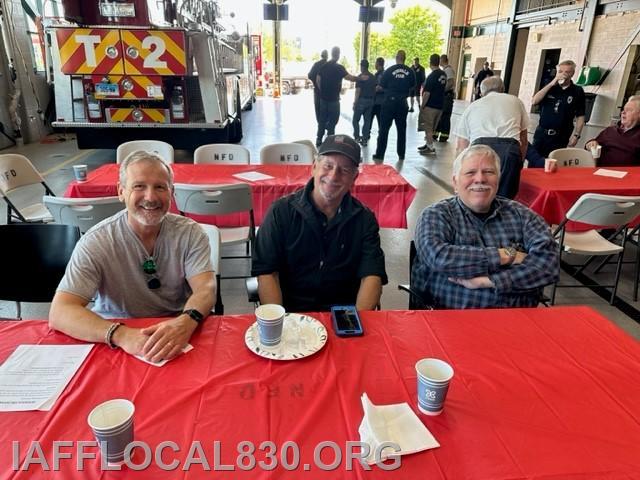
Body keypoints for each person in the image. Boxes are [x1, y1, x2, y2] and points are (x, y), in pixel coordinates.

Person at [49, 151, 216, 363]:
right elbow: (60, 311)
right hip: (112, 338)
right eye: (139, 186)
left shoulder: (190, 232)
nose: (151, 197)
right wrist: (121, 335)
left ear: (171, 193)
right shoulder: (97, 241)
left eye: (160, 187)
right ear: (121, 191)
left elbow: (206, 288)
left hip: (177, 332)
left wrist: (186, 321)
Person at [412, 145, 559, 309]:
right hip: (451, 321)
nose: (480, 179)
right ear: (455, 182)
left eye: (488, 172)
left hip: (517, 322)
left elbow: (548, 266)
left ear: (499, 179)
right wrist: (506, 255)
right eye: (470, 172)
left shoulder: (523, 216)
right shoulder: (437, 215)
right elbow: (440, 257)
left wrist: (489, 282)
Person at [252, 135, 387, 312]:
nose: (333, 176)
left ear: (354, 178)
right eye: (328, 166)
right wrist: (280, 322)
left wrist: (357, 321)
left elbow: (372, 275)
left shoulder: (364, 219)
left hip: (343, 315)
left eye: (344, 170)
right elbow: (267, 272)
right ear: (314, 168)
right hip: (292, 313)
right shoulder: (280, 212)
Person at [455, 76, 528, 199]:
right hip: (509, 149)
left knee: (478, 195)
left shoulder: (473, 106)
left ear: (481, 92)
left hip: (479, 149)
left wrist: (459, 172)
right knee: (505, 199)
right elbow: (524, 139)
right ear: (502, 89)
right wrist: (518, 162)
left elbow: (461, 145)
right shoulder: (516, 101)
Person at [532, 59, 585, 157]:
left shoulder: (577, 91)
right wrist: (552, 83)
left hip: (561, 136)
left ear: (572, 74)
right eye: (560, 71)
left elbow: (580, 116)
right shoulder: (549, 86)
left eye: (567, 72)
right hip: (542, 134)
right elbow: (535, 101)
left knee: (553, 163)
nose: (563, 74)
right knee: (534, 163)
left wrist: (576, 135)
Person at [373, 50, 416, 162]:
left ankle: (380, 154)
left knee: (384, 130)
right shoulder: (410, 71)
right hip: (402, 103)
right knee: (401, 130)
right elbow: (412, 87)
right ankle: (401, 154)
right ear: (405, 58)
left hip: (389, 103)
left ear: (397, 57)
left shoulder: (390, 70)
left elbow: (381, 86)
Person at [315, 47, 359, 146]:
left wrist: (322, 90)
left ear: (331, 53)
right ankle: (330, 139)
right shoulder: (339, 67)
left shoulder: (324, 66)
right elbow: (350, 78)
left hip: (323, 98)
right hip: (334, 100)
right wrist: (360, 78)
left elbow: (318, 79)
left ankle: (319, 139)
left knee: (322, 119)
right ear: (338, 54)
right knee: (333, 120)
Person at [585, 96, 640, 166]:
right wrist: (590, 143)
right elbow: (593, 143)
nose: (623, 112)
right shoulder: (610, 130)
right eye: (623, 109)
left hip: (628, 175)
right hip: (601, 172)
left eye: (629, 110)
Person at [417, 54, 447, 155]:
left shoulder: (432, 76)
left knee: (428, 127)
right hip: (440, 105)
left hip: (431, 106)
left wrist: (422, 106)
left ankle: (430, 147)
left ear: (430, 62)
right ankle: (428, 144)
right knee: (433, 127)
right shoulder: (443, 74)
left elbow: (427, 93)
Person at [352, 59, 376, 146]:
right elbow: (375, 90)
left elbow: (358, 91)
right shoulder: (373, 77)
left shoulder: (360, 77)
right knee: (367, 121)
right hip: (370, 101)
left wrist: (355, 102)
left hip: (361, 100)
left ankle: (357, 137)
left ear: (362, 67)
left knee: (355, 120)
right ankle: (365, 139)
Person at [435, 54, 456, 142]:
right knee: (440, 116)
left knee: (445, 117)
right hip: (444, 96)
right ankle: (436, 134)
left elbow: (450, 83)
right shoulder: (445, 70)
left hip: (447, 96)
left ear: (443, 60)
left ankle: (444, 136)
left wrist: (442, 90)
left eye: (440, 60)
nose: (439, 62)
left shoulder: (448, 70)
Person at [308, 49, 328, 127]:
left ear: (321, 55)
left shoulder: (316, 65)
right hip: (327, 92)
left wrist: (315, 83)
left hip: (317, 92)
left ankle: (320, 125)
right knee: (326, 109)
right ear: (327, 56)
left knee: (318, 109)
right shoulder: (329, 65)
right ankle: (327, 124)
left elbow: (309, 75)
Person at [368, 57, 385, 136]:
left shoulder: (382, 75)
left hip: (379, 102)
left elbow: (381, 87)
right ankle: (367, 133)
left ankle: (379, 135)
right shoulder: (377, 74)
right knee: (370, 119)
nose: (375, 64)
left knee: (379, 121)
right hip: (375, 101)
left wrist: (374, 89)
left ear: (378, 64)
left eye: (375, 63)